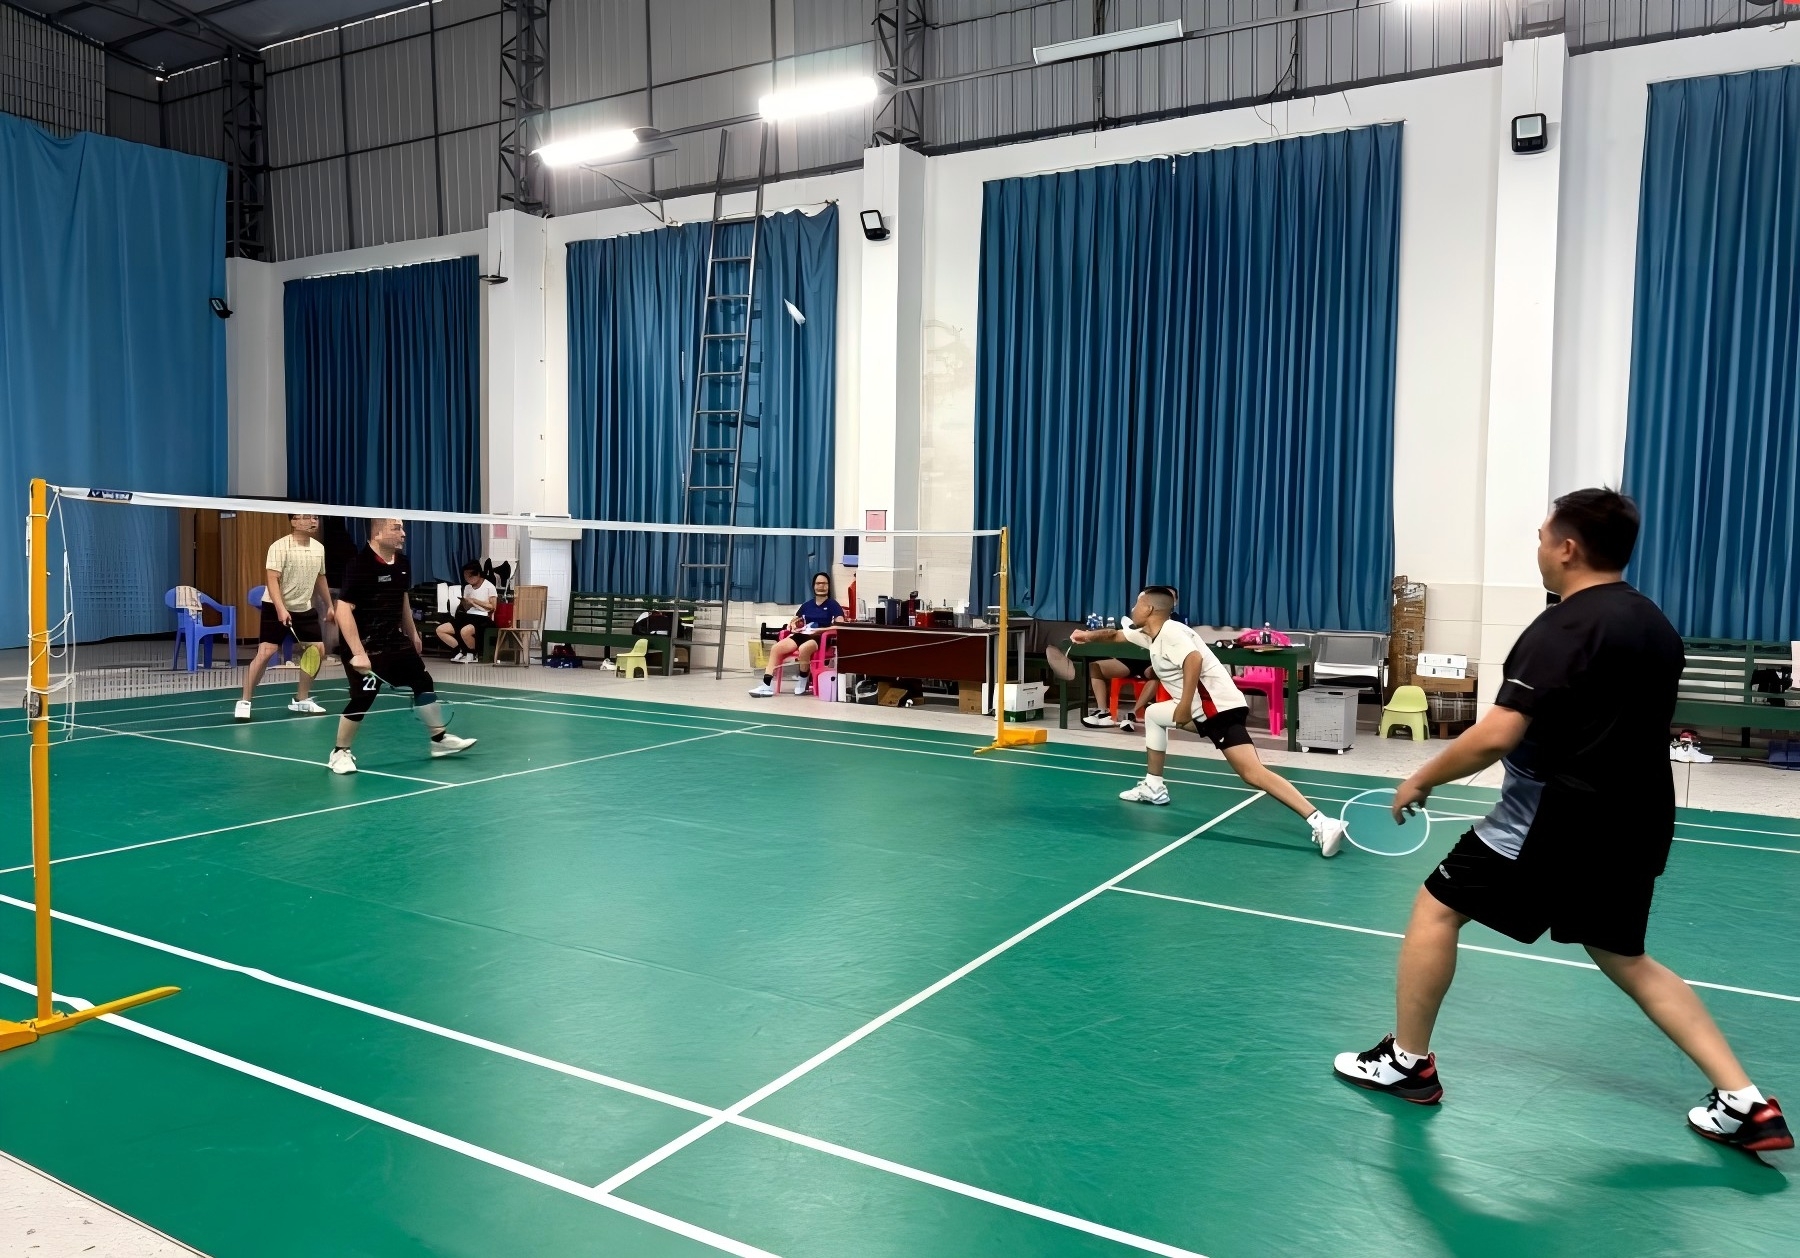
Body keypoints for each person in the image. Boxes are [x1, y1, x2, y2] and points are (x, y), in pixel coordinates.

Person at [1333, 489, 1791, 1153]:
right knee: (1624, 955)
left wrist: (1421, 777)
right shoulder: (1655, 625)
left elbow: (1496, 735)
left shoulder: (1562, 627)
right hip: (1637, 819)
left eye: (1544, 538)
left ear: (1568, 548)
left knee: (1436, 908)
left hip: (1554, 820)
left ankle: (1408, 1064)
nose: (1540, 549)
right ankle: (1746, 1103)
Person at [1069, 587, 1348, 857]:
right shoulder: (1152, 634)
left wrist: (1183, 707)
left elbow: (1193, 660)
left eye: (1137, 604)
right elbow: (1116, 635)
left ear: (1150, 608)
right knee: (1154, 715)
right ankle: (1154, 787)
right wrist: (1086, 636)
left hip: (1217, 709)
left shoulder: (1172, 632)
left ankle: (1322, 822)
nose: (1132, 608)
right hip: (1203, 710)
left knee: (1252, 773)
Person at [329, 518, 475, 775]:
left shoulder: (402, 563)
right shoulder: (359, 565)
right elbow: (342, 610)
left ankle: (439, 740)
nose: (403, 533)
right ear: (377, 534)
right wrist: (358, 653)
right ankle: (339, 752)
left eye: (402, 528)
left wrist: (413, 633)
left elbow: (402, 599)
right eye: (396, 528)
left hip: (394, 640)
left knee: (423, 682)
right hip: (365, 645)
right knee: (363, 697)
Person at [235, 514, 333, 722]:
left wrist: (330, 606)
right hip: (275, 605)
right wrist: (280, 609)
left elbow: (320, 577)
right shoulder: (279, 547)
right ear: (294, 522)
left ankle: (301, 699)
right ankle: (245, 701)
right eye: (307, 518)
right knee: (266, 652)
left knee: (317, 650)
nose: (313, 521)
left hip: (303, 607)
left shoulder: (318, 548)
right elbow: (272, 579)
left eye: (315, 518)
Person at [749, 571, 846, 698]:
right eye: (818, 583)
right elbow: (794, 620)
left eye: (824, 583)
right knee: (776, 648)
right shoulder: (807, 605)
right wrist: (793, 626)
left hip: (819, 637)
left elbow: (840, 625)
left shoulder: (833, 605)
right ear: (813, 586)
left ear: (828, 586)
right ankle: (766, 685)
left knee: (804, 649)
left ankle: (803, 680)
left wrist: (821, 630)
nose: (821, 586)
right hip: (802, 634)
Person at [436, 562, 497, 663]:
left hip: (483, 617)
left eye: (469, 576)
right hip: (468, 615)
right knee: (441, 630)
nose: (467, 579)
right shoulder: (468, 587)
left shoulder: (489, 587)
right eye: (465, 577)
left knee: (465, 631)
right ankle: (460, 650)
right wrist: (466, 603)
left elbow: (492, 607)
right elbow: (466, 608)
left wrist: (475, 601)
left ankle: (472, 654)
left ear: (477, 574)